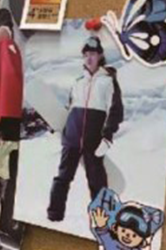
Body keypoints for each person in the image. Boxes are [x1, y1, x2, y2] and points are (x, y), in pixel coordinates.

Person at [47, 35, 123, 222]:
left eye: (93, 54)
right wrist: (61, 129)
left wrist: (107, 137)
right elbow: (70, 108)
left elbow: (116, 111)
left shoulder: (108, 81)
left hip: (93, 141)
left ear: (100, 56)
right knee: (62, 178)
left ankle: (102, 220)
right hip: (72, 139)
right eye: (86, 54)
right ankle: (54, 214)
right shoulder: (78, 82)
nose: (89, 58)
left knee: (97, 182)